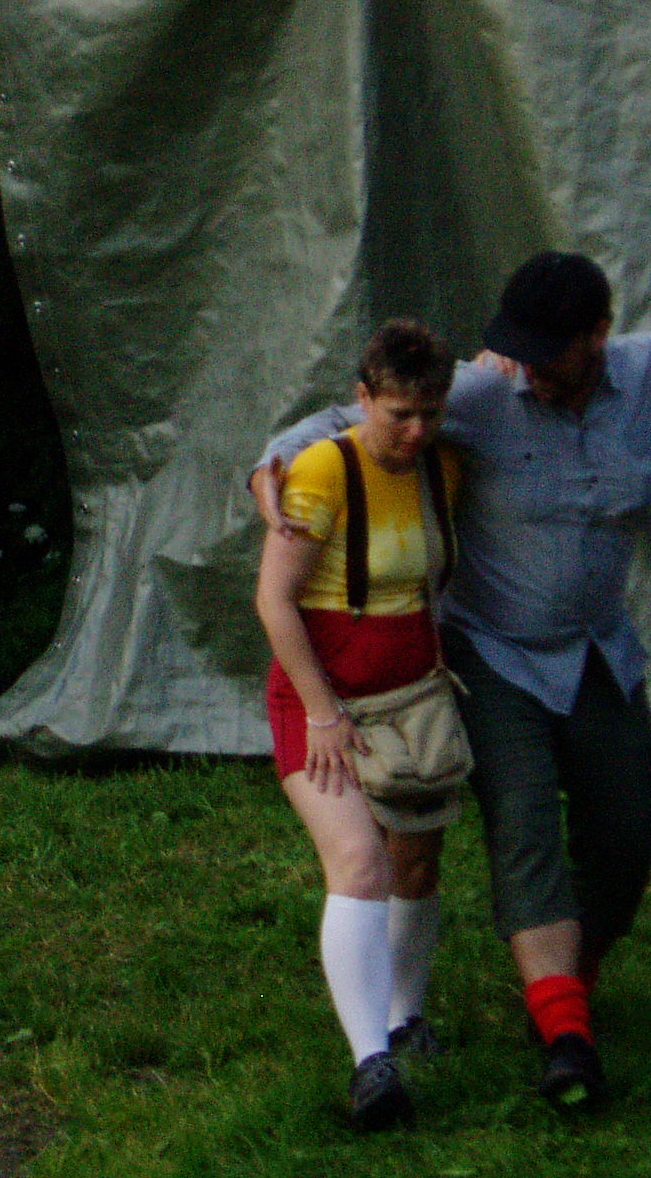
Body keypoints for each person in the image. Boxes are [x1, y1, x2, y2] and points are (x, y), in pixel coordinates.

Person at [254, 253, 651, 1108]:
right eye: (516, 348)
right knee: (525, 827)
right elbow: (357, 417)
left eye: (545, 350)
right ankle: (564, 1033)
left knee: (629, 827)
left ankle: (573, 977)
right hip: (497, 653)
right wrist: (272, 463)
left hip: (600, 650)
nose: (525, 365)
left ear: (598, 335)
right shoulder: (482, 396)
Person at [254, 320, 465, 1131]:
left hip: (414, 698)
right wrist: (322, 711)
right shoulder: (323, 468)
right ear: (363, 398)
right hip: (321, 699)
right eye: (398, 414)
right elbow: (274, 600)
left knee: (416, 861)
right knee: (359, 861)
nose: (414, 432)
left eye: (430, 414)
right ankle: (370, 1062)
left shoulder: (443, 466)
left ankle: (406, 1016)